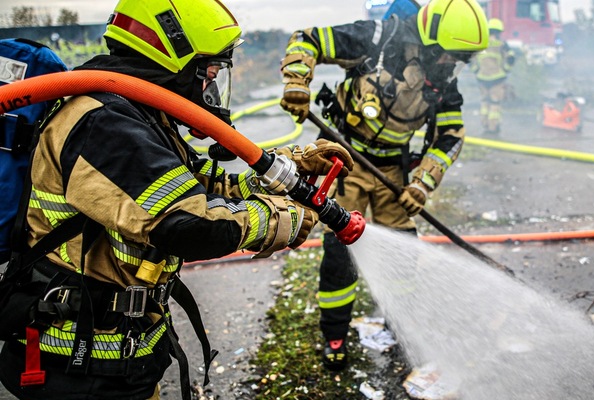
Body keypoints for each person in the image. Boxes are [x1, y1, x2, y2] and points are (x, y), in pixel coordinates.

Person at [0, 0, 352, 399]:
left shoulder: (135, 115)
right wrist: (280, 219)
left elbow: (198, 186)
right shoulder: (104, 123)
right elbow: (187, 222)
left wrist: (292, 169)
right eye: (210, 74)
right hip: (76, 366)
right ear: (174, 57)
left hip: (113, 360)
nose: (211, 89)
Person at [279, 0, 489, 371]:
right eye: (450, 55)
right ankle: (335, 335)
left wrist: (422, 184)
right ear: (429, 40)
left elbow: (450, 137)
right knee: (341, 253)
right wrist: (297, 81)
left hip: (391, 167)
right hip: (345, 160)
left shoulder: (444, 82)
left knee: (404, 250)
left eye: (462, 59)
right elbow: (308, 39)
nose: (453, 65)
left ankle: (400, 324)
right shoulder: (377, 38)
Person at [472, 18, 515, 135]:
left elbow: (470, 59)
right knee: (495, 103)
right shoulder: (502, 44)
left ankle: (485, 124)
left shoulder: (480, 43)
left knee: (484, 102)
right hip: (498, 78)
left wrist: (476, 71)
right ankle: (493, 127)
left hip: (481, 78)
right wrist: (506, 70)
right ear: (499, 32)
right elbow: (511, 58)